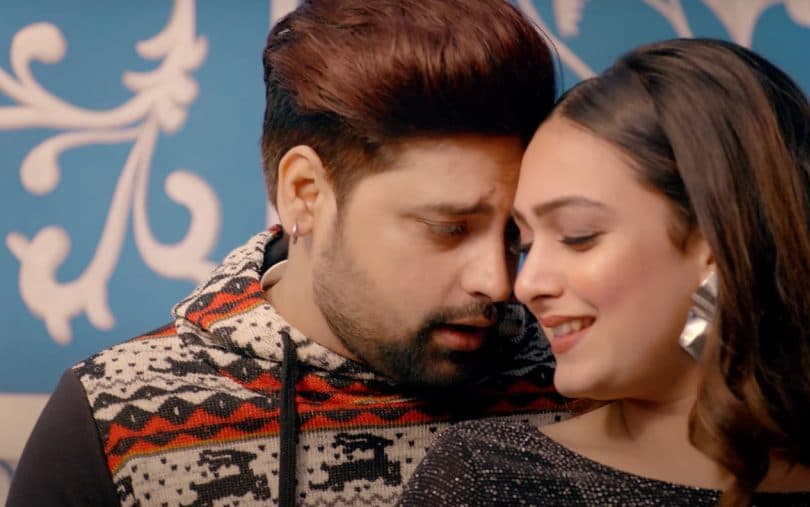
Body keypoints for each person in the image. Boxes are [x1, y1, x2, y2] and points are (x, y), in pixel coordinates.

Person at [6, 1, 568, 506]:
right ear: (305, 193)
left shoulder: (576, 389)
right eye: (448, 229)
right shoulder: (116, 417)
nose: (499, 282)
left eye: (514, 235)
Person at [398, 39, 810, 506]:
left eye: (577, 235)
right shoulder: (488, 478)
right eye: (526, 243)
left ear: (717, 244)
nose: (525, 285)